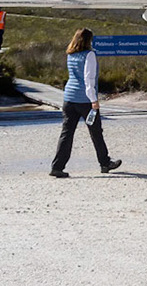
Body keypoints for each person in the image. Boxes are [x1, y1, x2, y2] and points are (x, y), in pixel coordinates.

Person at [50, 28, 120, 177]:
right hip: (85, 100)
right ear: (89, 40)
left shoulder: (71, 54)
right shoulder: (89, 55)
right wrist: (94, 100)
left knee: (67, 133)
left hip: (69, 98)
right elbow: (89, 80)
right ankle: (105, 162)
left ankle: (57, 166)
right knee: (96, 132)